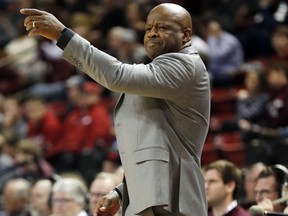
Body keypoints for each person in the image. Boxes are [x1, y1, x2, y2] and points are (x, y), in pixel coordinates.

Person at [20, 3, 211, 216]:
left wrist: (63, 36)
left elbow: (117, 75)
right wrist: (122, 193)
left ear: (185, 35)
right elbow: (158, 148)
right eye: (148, 29)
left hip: (174, 202)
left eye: (163, 28)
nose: (152, 34)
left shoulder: (185, 65)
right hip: (154, 199)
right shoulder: (159, 73)